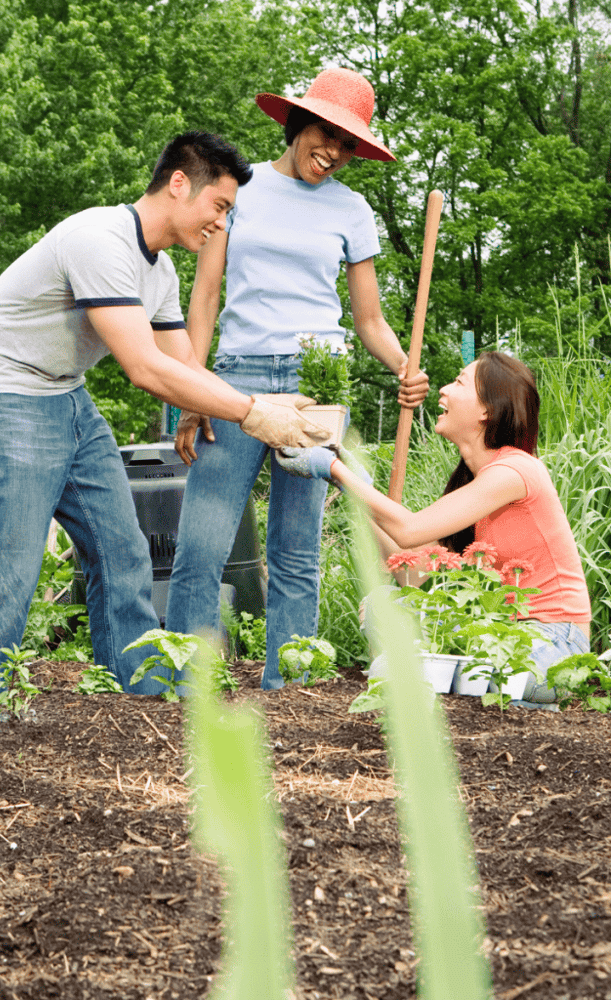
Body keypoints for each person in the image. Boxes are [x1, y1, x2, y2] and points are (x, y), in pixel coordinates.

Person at [0, 131, 333, 707]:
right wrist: (254, 413)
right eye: (219, 207)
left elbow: (186, 370)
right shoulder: (99, 240)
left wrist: (274, 408)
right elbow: (145, 369)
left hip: (64, 395)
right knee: (13, 564)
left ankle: (139, 698)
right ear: (179, 184)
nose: (222, 225)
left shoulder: (162, 276)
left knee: (123, 550)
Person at [164, 67, 430, 689]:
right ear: (296, 124)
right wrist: (192, 390)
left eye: (346, 145)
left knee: (296, 552)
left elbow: (369, 320)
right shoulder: (242, 191)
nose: (332, 153)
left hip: (318, 383)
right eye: (324, 135)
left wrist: (405, 367)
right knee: (201, 545)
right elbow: (204, 299)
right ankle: (184, 684)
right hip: (238, 381)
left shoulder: (353, 210)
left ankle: (290, 691)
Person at [277, 352, 592, 705]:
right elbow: (413, 571)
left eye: (458, 382)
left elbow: (410, 529)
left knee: (433, 668)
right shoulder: (473, 484)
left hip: (552, 644)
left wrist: (337, 470)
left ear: (487, 409)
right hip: (500, 637)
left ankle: (502, 694)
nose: (442, 390)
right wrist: (354, 488)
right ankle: (492, 696)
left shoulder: (516, 472)